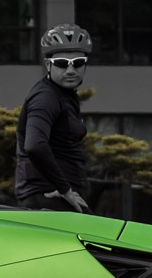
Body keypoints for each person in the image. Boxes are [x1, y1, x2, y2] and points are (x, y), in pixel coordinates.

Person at [15, 22, 95, 209]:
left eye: (78, 63)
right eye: (61, 64)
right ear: (47, 65)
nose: (70, 70)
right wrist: (65, 189)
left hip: (59, 198)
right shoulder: (45, 97)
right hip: (48, 200)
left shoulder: (64, 95)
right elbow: (35, 145)